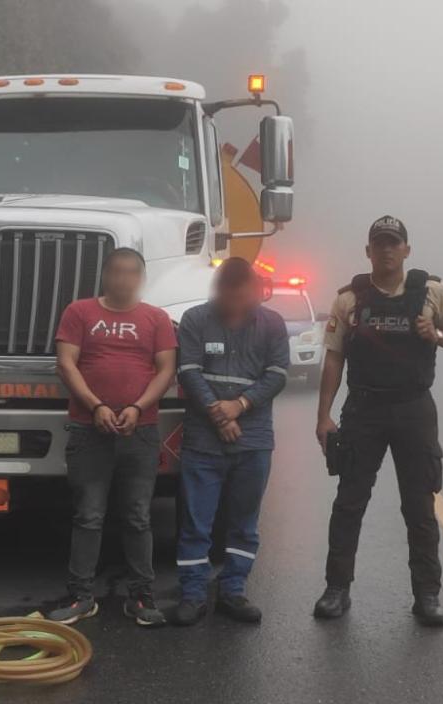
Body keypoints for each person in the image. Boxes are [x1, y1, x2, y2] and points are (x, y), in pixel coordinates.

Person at [313, 215, 443, 627]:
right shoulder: (350, 299)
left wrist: (435, 334)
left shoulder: (430, 291)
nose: (386, 250)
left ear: (406, 250)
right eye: (378, 243)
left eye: (393, 243)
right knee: (349, 502)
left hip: (414, 410)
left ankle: (427, 595)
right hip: (363, 409)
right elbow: (334, 356)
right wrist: (323, 415)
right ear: (368, 251)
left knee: (419, 506)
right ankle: (336, 588)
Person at [47, 247, 178, 628]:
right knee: (89, 516)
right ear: (105, 275)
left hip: (140, 432)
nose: (122, 278)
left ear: (140, 278)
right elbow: (65, 363)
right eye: (116, 271)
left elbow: (165, 370)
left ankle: (141, 596)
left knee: (138, 516)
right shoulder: (80, 312)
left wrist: (137, 408)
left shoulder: (156, 319)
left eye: (130, 272)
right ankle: (81, 597)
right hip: (89, 430)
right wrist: (96, 405)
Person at [172, 257, 290, 625]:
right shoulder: (194, 320)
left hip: (253, 442)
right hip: (201, 443)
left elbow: (277, 375)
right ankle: (192, 594)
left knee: (244, 523)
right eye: (230, 296)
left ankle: (233, 590)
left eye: (244, 296)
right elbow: (188, 371)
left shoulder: (272, 323)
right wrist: (217, 413)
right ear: (219, 291)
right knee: (196, 521)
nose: (236, 304)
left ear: (254, 292)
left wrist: (239, 405)